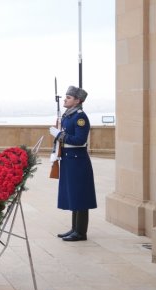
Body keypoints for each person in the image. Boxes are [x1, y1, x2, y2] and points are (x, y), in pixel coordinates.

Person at [49, 86, 97, 242]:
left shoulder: (80, 117)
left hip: (78, 160)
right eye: (66, 97)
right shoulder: (68, 116)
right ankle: (75, 228)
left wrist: (60, 135)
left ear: (77, 101)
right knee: (74, 194)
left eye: (69, 97)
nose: (65, 99)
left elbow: (79, 140)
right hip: (69, 159)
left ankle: (81, 232)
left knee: (80, 196)